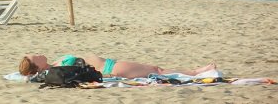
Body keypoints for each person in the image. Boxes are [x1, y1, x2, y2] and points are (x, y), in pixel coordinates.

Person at [19, 54, 216, 79]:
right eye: (34, 56)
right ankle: (196, 72)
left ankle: (195, 71)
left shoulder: (54, 65)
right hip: (110, 68)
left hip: (110, 66)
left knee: (155, 69)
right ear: (37, 64)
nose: (36, 52)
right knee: (156, 70)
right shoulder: (55, 69)